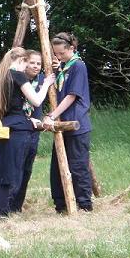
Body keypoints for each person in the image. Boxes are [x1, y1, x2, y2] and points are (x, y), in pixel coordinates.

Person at [0, 47, 54, 219]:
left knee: (6, 172)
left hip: (4, 126)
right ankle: (0, 214)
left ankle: (3, 211)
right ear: (22, 60)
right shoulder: (17, 75)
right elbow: (36, 100)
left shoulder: (1, 77)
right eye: (28, 62)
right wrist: (46, 84)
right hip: (17, 130)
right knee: (13, 173)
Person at [42, 32, 93, 213]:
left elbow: (72, 96)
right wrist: (58, 66)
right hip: (62, 124)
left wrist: (52, 115)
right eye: (56, 54)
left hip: (76, 123)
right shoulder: (64, 67)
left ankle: (84, 204)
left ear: (72, 48)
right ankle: (60, 203)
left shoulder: (78, 66)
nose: (58, 57)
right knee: (57, 167)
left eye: (62, 54)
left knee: (78, 166)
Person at [9, 50, 45, 213]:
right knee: (15, 167)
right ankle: (7, 204)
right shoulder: (17, 80)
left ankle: (17, 206)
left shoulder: (43, 80)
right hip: (18, 129)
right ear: (24, 62)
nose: (36, 66)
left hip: (33, 132)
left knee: (27, 168)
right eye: (32, 63)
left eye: (39, 63)